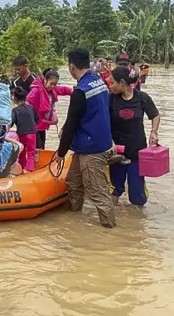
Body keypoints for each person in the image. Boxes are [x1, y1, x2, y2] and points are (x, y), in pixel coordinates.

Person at [54, 48, 116, 228]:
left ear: (72, 66)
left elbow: (71, 124)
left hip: (92, 150)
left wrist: (61, 152)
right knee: (73, 183)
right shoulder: (99, 81)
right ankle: (74, 222)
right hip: (93, 143)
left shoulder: (80, 92)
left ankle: (110, 231)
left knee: (97, 193)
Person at [109, 66, 161, 206]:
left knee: (137, 196)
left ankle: (137, 224)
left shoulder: (141, 98)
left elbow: (155, 115)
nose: (110, 85)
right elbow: (102, 123)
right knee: (114, 190)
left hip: (137, 153)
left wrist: (154, 131)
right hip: (116, 154)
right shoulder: (110, 100)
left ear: (122, 83)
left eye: (113, 82)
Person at [27, 69, 73, 150]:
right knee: (38, 149)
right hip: (34, 126)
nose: (53, 86)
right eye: (51, 84)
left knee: (42, 147)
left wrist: (76, 91)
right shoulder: (36, 90)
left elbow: (64, 90)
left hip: (42, 126)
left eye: (55, 84)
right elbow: (27, 103)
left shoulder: (53, 90)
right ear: (45, 80)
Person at [10, 87, 38, 172]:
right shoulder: (31, 108)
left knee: (22, 152)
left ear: (15, 98)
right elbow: (37, 119)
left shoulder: (15, 110)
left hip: (22, 134)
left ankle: (22, 168)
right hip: (32, 133)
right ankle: (30, 170)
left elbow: (10, 124)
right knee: (31, 153)